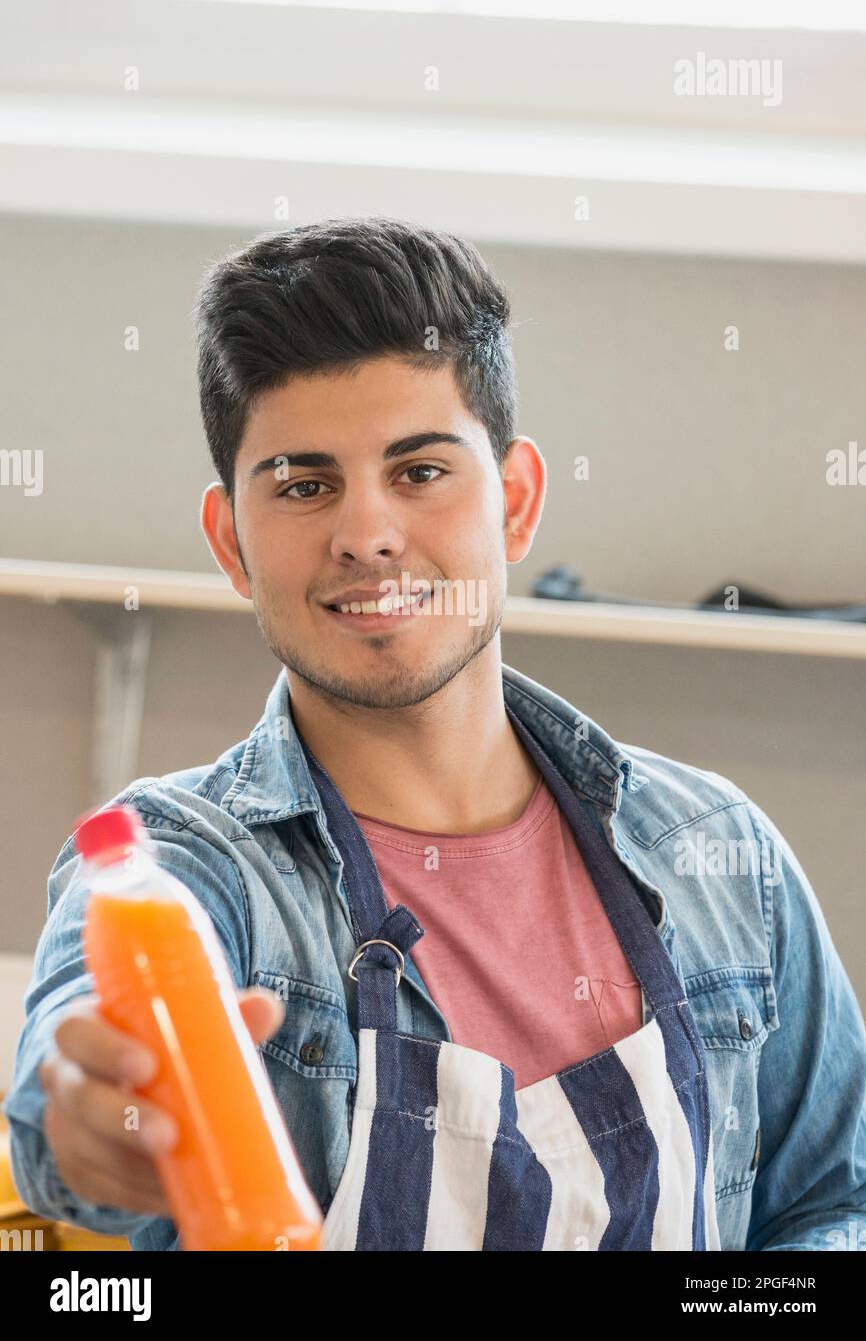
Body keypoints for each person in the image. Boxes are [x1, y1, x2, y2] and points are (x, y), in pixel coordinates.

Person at [4, 217, 865, 1251]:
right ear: (231, 542)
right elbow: (73, 1076)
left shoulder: (719, 853)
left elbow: (835, 1202)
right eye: (304, 485)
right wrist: (95, 1117)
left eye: (418, 472)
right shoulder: (178, 867)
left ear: (515, 503)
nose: (366, 535)